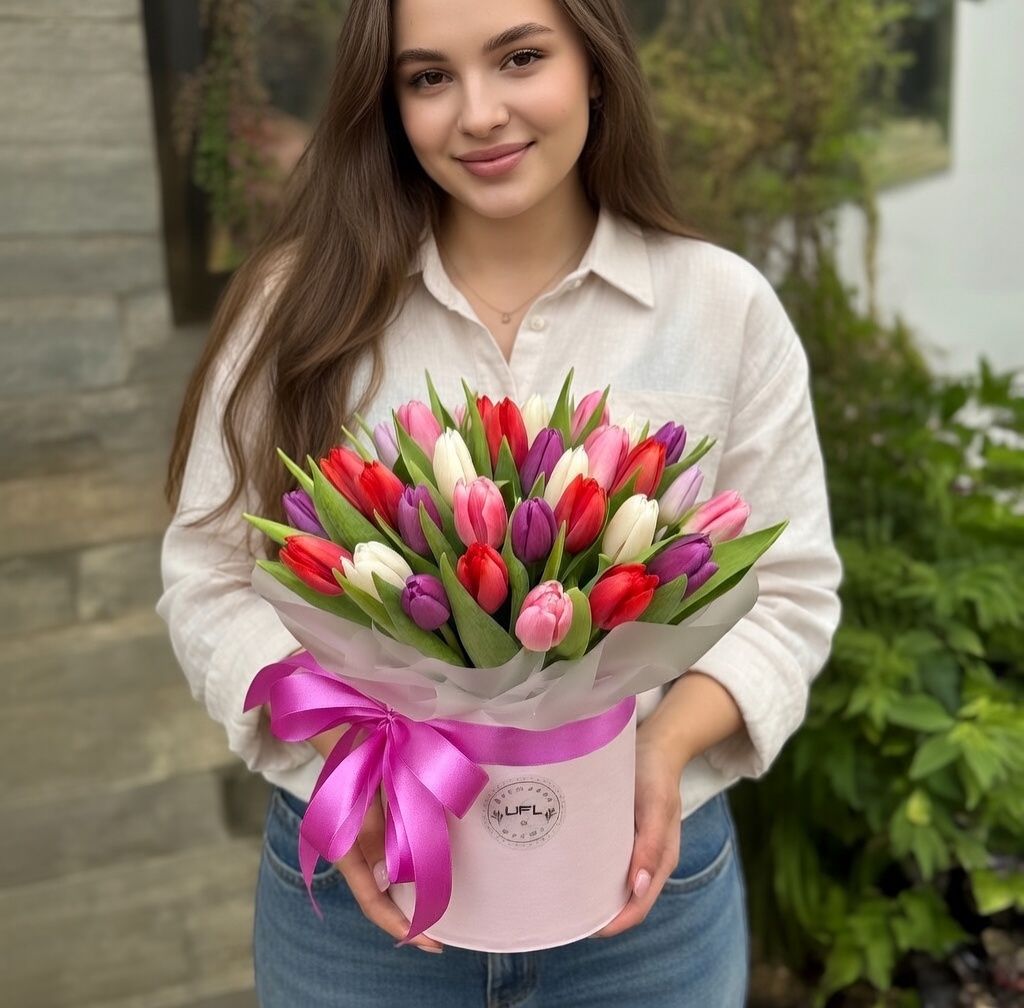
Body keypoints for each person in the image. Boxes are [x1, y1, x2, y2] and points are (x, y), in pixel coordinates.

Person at [157, 0, 842, 1004]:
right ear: (389, 102)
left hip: (642, 892)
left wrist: (661, 749)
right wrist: (352, 754)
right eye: (429, 77)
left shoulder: (720, 308)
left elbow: (788, 593)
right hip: (365, 882)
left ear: (596, 65)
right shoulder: (295, 307)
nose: (478, 113)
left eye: (520, 58)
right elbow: (210, 581)